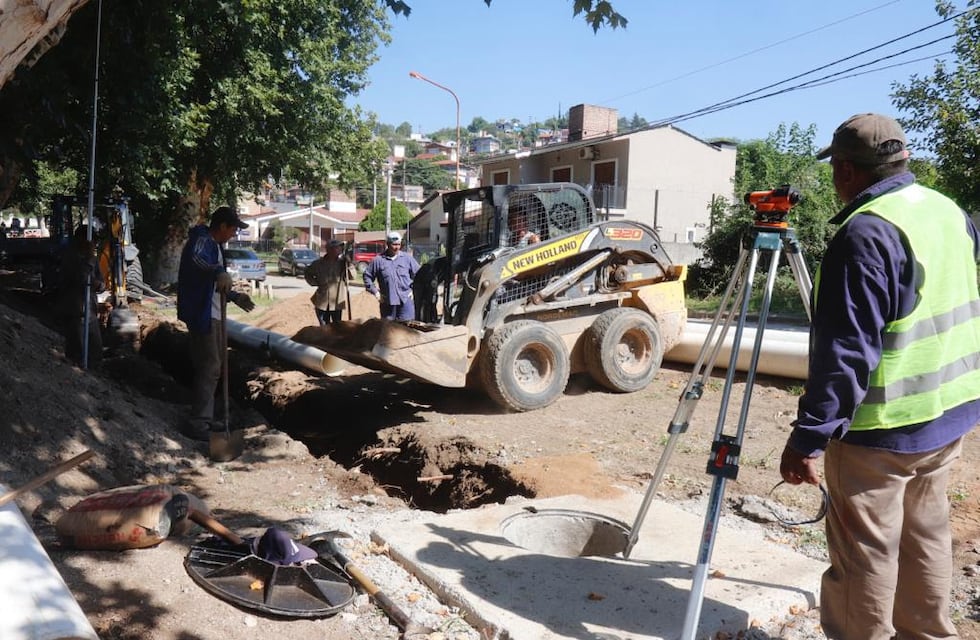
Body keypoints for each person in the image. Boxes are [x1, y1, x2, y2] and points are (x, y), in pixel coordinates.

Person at [779, 113, 980, 640]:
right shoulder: (948, 211)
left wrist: (809, 440)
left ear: (844, 169)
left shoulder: (865, 233)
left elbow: (847, 354)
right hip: (949, 413)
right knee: (926, 536)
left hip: (881, 430)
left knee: (865, 555)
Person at [177, 205, 255, 441]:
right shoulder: (202, 241)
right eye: (233, 229)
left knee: (216, 365)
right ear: (222, 226)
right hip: (203, 313)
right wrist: (218, 270)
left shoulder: (217, 246)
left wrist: (234, 296)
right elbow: (196, 261)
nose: (234, 234)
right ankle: (199, 423)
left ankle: (207, 417)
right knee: (210, 366)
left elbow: (215, 283)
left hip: (215, 312)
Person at [57, 225, 105, 367]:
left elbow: (101, 282)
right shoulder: (70, 257)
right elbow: (81, 278)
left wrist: (99, 285)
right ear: (81, 240)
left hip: (91, 312)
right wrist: (89, 259)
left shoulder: (94, 260)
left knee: (96, 350)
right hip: (75, 312)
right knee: (77, 352)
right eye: (91, 241)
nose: (94, 245)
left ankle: (97, 378)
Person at [362, 231, 420, 321]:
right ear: (388, 244)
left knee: (406, 329)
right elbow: (367, 276)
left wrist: (413, 290)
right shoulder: (378, 260)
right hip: (387, 303)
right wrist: (376, 292)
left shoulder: (407, 259)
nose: (397, 247)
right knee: (388, 330)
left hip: (405, 301)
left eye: (399, 244)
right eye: (394, 245)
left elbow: (419, 275)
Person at [305, 239, 355, 326]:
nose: (340, 249)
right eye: (337, 247)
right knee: (324, 328)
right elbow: (307, 273)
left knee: (337, 328)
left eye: (340, 247)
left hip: (337, 303)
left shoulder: (343, 264)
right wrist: (315, 282)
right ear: (329, 249)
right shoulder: (318, 264)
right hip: (322, 302)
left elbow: (352, 276)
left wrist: (349, 264)